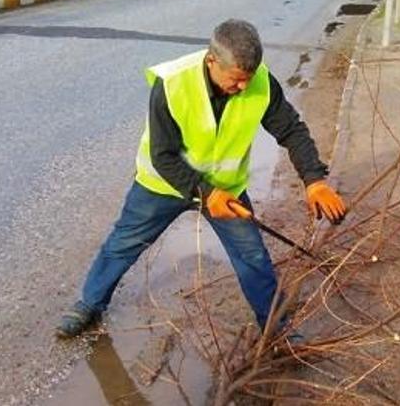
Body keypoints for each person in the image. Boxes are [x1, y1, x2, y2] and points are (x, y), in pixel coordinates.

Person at [56, 19, 347, 338]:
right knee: (124, 244)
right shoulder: (173, 84)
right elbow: (163, 154)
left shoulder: (261, 83)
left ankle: (276, 329)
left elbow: (291, 129)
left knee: (251, 255)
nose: (242, 88)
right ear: (212, 61)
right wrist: (205, 192)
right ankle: (89, 304)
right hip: (163, 185)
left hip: (225, 189)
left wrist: (314, 179)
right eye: (236, 80)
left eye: (247, 80)